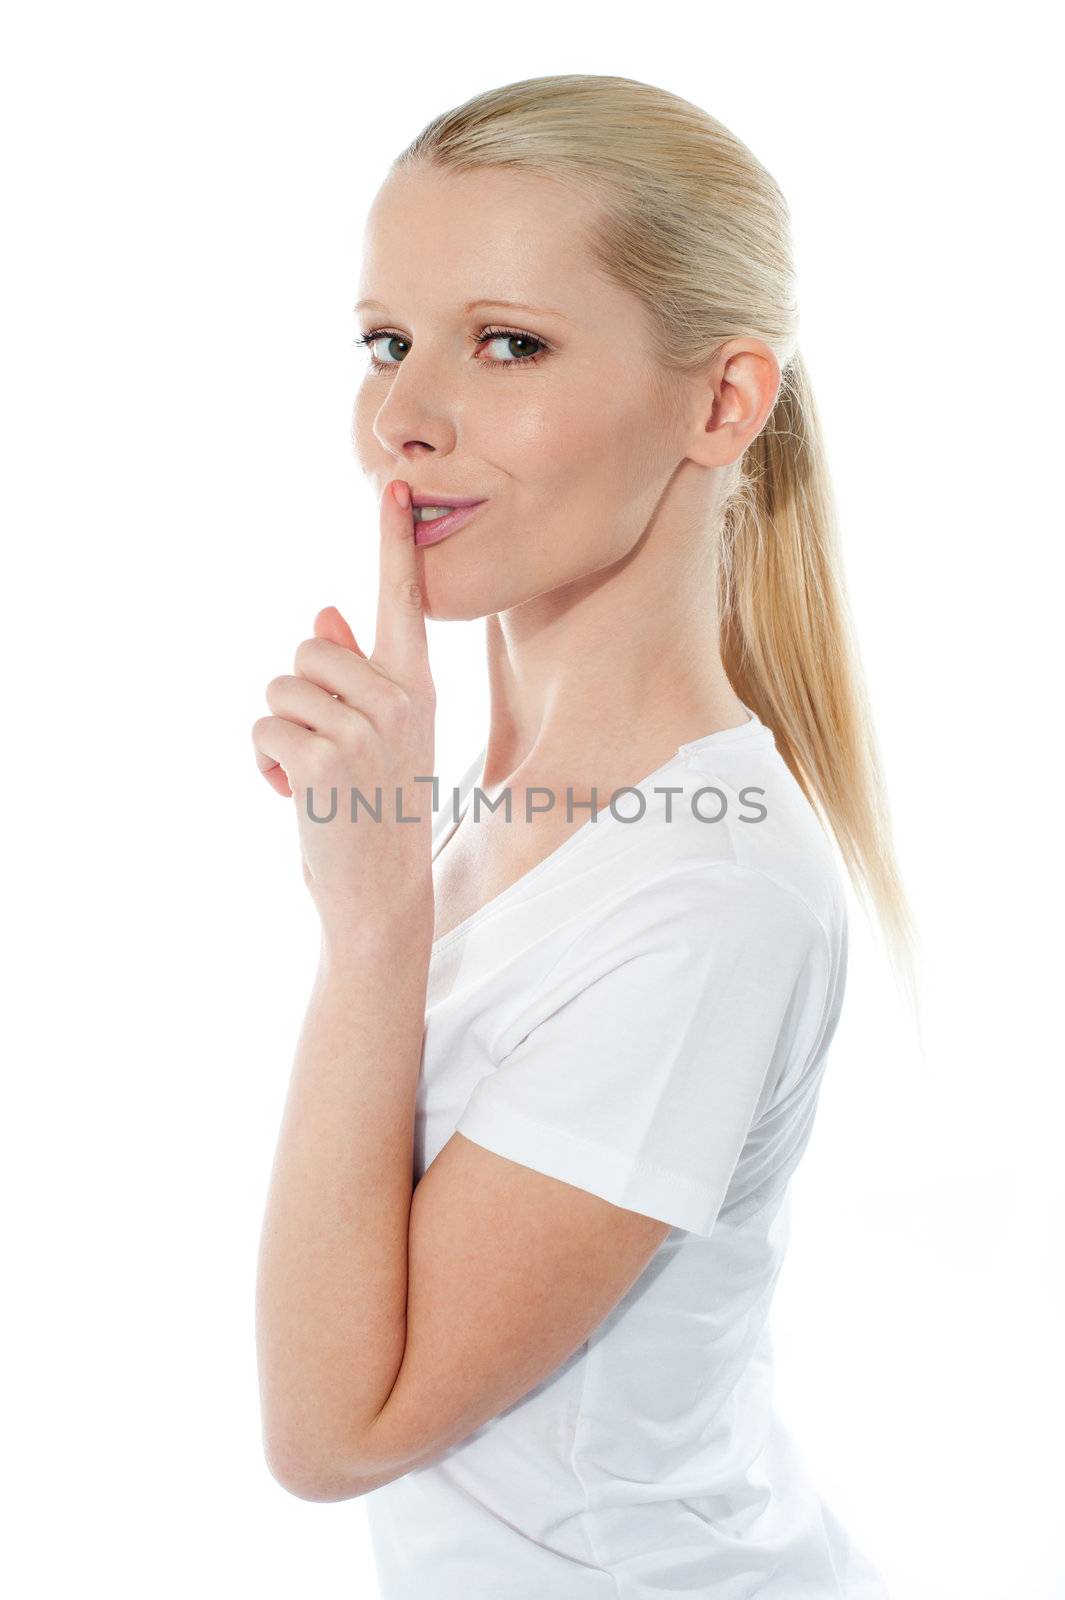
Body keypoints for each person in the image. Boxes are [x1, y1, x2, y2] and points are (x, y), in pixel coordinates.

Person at [254, 73, 916, 1599]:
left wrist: (370, 920)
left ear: (721, 401)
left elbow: (334, 1430)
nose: (400, 418)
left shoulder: (707, 898)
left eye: (508, 344)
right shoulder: (508, 805)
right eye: (385, 341)